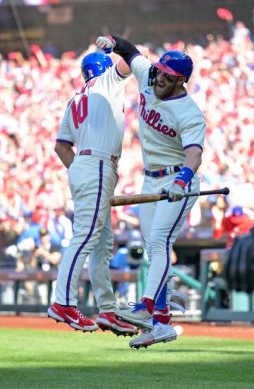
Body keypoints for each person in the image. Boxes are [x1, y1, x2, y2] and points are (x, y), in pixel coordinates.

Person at [95, 35, 206, 348]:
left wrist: (183, 180)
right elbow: (131, 52)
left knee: (159, 242)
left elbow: (195, 153)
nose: (158, 77)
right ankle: (163, 322)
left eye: (167, 76)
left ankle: (145, 308)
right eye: (158, 70)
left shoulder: (189, 111)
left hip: (177, 182)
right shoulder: (148, 75)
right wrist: (111, 41)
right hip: (150, 179)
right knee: (152, 247)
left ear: (181, 81)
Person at [46, 51, 138, 337]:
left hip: (85, 165)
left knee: (101, 242)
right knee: (86, 236)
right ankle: (63, 303)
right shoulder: (107, 82)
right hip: (98, 163)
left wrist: (80, 171)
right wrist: (121, 46)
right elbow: (132, 61)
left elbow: (62, 146)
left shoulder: (76, 97)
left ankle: (107, 310)